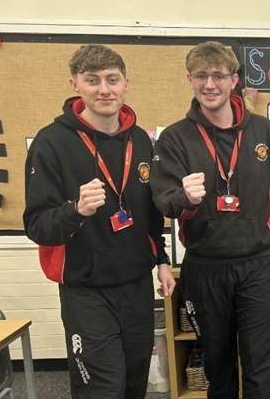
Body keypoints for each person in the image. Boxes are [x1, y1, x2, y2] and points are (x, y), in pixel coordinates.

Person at [23, 44, 175, 398]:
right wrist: (75, 210)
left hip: (136, 284)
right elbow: (37, 225)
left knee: (135, 383)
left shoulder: (141, 140)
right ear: (75, 84)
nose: (104, 89)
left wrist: (162, 260)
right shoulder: (51, 143)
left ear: (126, 84)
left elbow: (151, 214)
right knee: (102, 388)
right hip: (86, 291)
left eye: (112, 79)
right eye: (92, 80)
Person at [150, 41, 270, 399]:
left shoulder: (264, 132)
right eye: (201, 76)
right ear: (189, 79)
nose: (209, 84)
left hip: (258, 265)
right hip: (205, 267)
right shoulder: (175, 138)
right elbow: (164, 200)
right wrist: (185, 198)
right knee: (217, 366)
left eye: (218, 75)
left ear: (234, 80)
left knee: (263, 365)